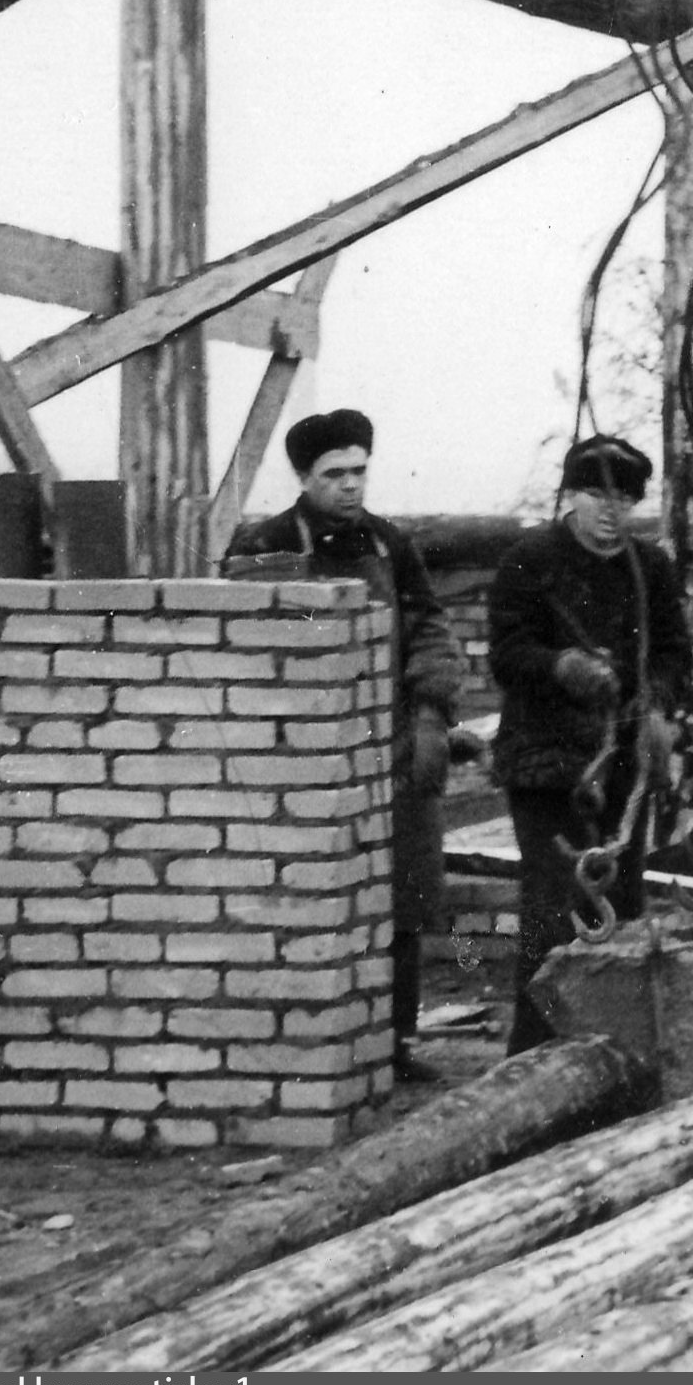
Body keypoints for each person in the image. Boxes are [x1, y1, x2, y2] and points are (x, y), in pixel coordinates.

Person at [222, 409, 463, 1080]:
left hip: (388, 746)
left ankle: (395, 1042)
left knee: (403, 897)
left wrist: (430, 714)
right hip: (301, 755)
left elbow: (429, 627)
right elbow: (248, 639)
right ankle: (292, 1038)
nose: (351, 485)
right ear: (305, 478)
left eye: (359, 471)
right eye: (335, 474)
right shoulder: (268, 543)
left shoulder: (389, 543)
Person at [486, 433, 690, 1053]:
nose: (610, 511)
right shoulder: (530, 561)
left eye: (624, 499)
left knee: (620, 902)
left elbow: (675, 652)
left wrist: (655, 700)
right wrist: (561, 667)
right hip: (545, 761)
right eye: (597, 495)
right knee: (553, 909)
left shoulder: (650, 568)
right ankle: (533, 1052)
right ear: (571, 495)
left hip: (622, 763)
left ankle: (613, 1052)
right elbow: (507, 654)